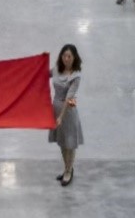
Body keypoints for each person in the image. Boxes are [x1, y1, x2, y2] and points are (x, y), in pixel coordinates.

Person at [50, 44, 84, 186]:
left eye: (69, 56)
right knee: (62, 142)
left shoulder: (76, 76)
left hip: (68, 110)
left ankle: (69, 170)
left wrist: (61, 117)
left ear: (74, 58)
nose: (66, 59)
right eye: (64, 56)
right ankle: (66, 168)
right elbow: (43, 74)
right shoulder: (57, 69)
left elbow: (70, 98)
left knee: (70, 142)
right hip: (56, 108)